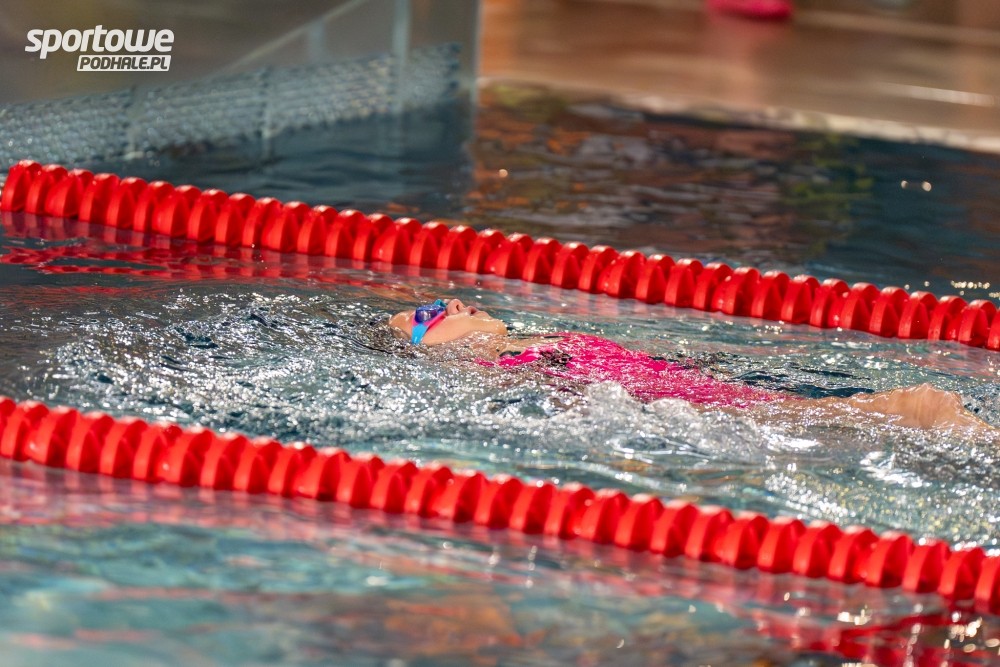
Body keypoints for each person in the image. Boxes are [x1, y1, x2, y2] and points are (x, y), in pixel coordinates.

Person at [388, 298, 998, 434]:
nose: (452, 304)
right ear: (427, 346)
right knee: (921, 408)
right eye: (430, 314)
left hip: (712, 395)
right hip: (706, 411)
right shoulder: (497, 368)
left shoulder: (528, 344)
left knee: (922, 408)